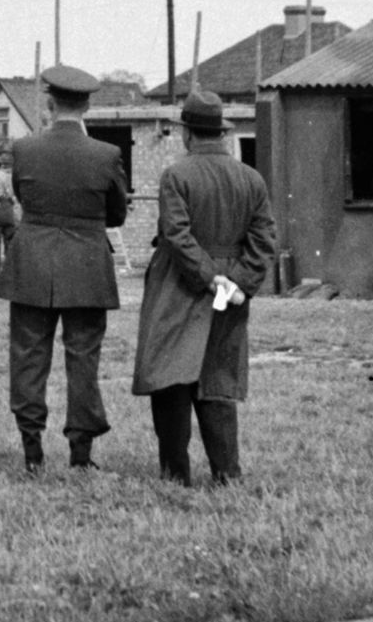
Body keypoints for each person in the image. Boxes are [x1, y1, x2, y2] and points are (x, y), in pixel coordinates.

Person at [132, 91, 276, 486]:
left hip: (179, 282)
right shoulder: (251, 178)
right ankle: (227, 474)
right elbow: (265, 241)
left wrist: (211, 276)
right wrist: (238, 283)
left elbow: (176, 236)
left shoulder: (176, 176)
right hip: (230, 290)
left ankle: (175, 474)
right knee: (218, 379)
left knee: (169, 375)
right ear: (223, 133)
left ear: (186, 134)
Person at [0, 65, 129, 474]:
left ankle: (32, 452)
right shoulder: (107, 155)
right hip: (87, 266)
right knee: (83, 358)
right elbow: (117, 216)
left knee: (28, 355)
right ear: (88, 104)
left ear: (50, 103)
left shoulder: (24, 149)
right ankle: (81, 456)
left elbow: (22, 195)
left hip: (31, 261)